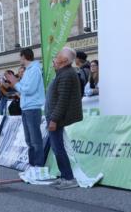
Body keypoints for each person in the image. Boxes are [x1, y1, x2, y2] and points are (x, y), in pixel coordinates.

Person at [46, 47, 83, 190]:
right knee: (57, 148)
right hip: (54, 117)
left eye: (57, 56)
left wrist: (54, 119)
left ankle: (69, 178)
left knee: (58, 148)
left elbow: (63, 100)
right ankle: (64, 176)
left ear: (65, 61)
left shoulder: (67, 75)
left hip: (57, 119)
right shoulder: (62, 73)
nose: (54, 59)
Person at [14, 48, 46, 181]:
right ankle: (32, 165)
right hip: (26, 108)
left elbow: (29, 89)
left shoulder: (34, 70)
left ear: (24, 57)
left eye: (20, 57)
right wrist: (17, 84)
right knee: (29, 139)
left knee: (35, 139)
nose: (19, 59)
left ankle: (38, 165)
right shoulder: (28, 71)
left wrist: (15, 83)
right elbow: (24, 87)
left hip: (33, 108)